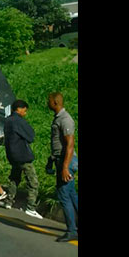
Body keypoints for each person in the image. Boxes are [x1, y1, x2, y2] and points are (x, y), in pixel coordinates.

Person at [0, 100, 42, 219]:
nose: (25, 113)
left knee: (14, 178)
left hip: (12, 155)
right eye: (25, 110)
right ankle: (31, 207)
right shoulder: (19, 121)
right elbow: (31, 136)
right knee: (33, 182)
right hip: (23, 155)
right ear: (19, 109)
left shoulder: (8, 121)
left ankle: (9, 201)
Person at [47, 92, 78, 242]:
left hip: (67, 161)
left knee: (64, 196)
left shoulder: (65, 120)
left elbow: (70, 145)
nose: (48, 103)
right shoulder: (59, 118)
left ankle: (72, 230)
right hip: (62, 160)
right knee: (72, 195)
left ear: (55, 102)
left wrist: (65, 167)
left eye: (49, 100)